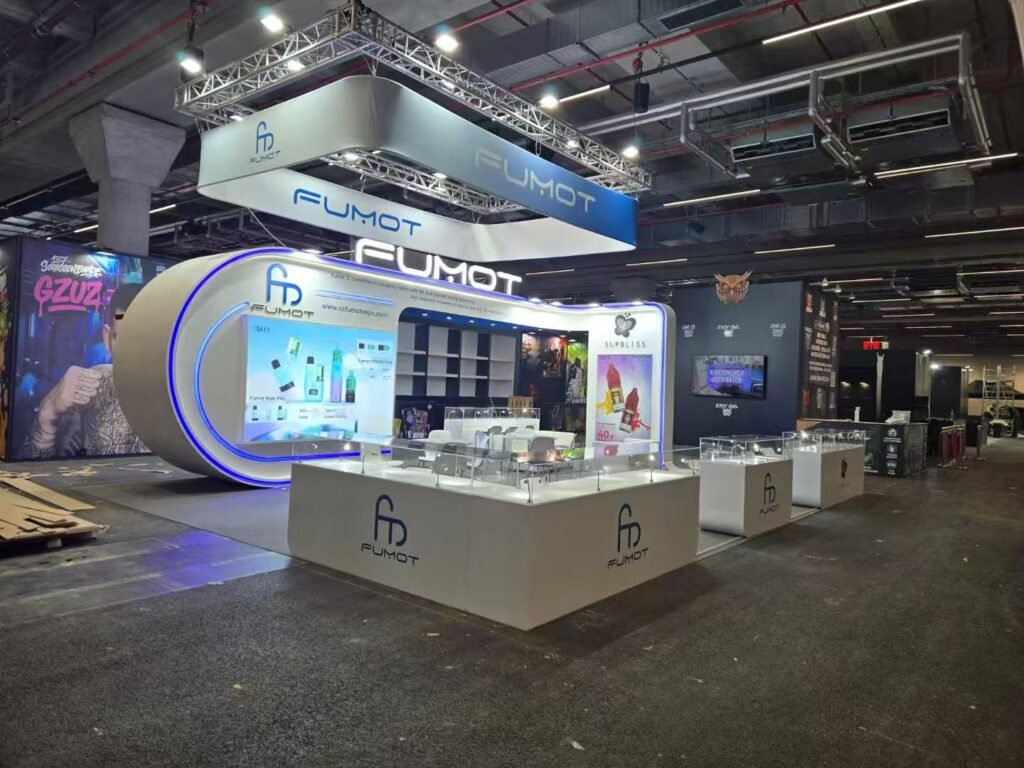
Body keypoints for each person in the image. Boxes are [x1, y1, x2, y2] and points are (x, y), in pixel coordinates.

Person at [24, 283, 146, 458]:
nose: (134, 353)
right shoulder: (91, 387)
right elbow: (39, 466)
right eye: (124, 339)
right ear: (107, 338)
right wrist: (47, 413)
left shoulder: (183, 398)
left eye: (146, 340)